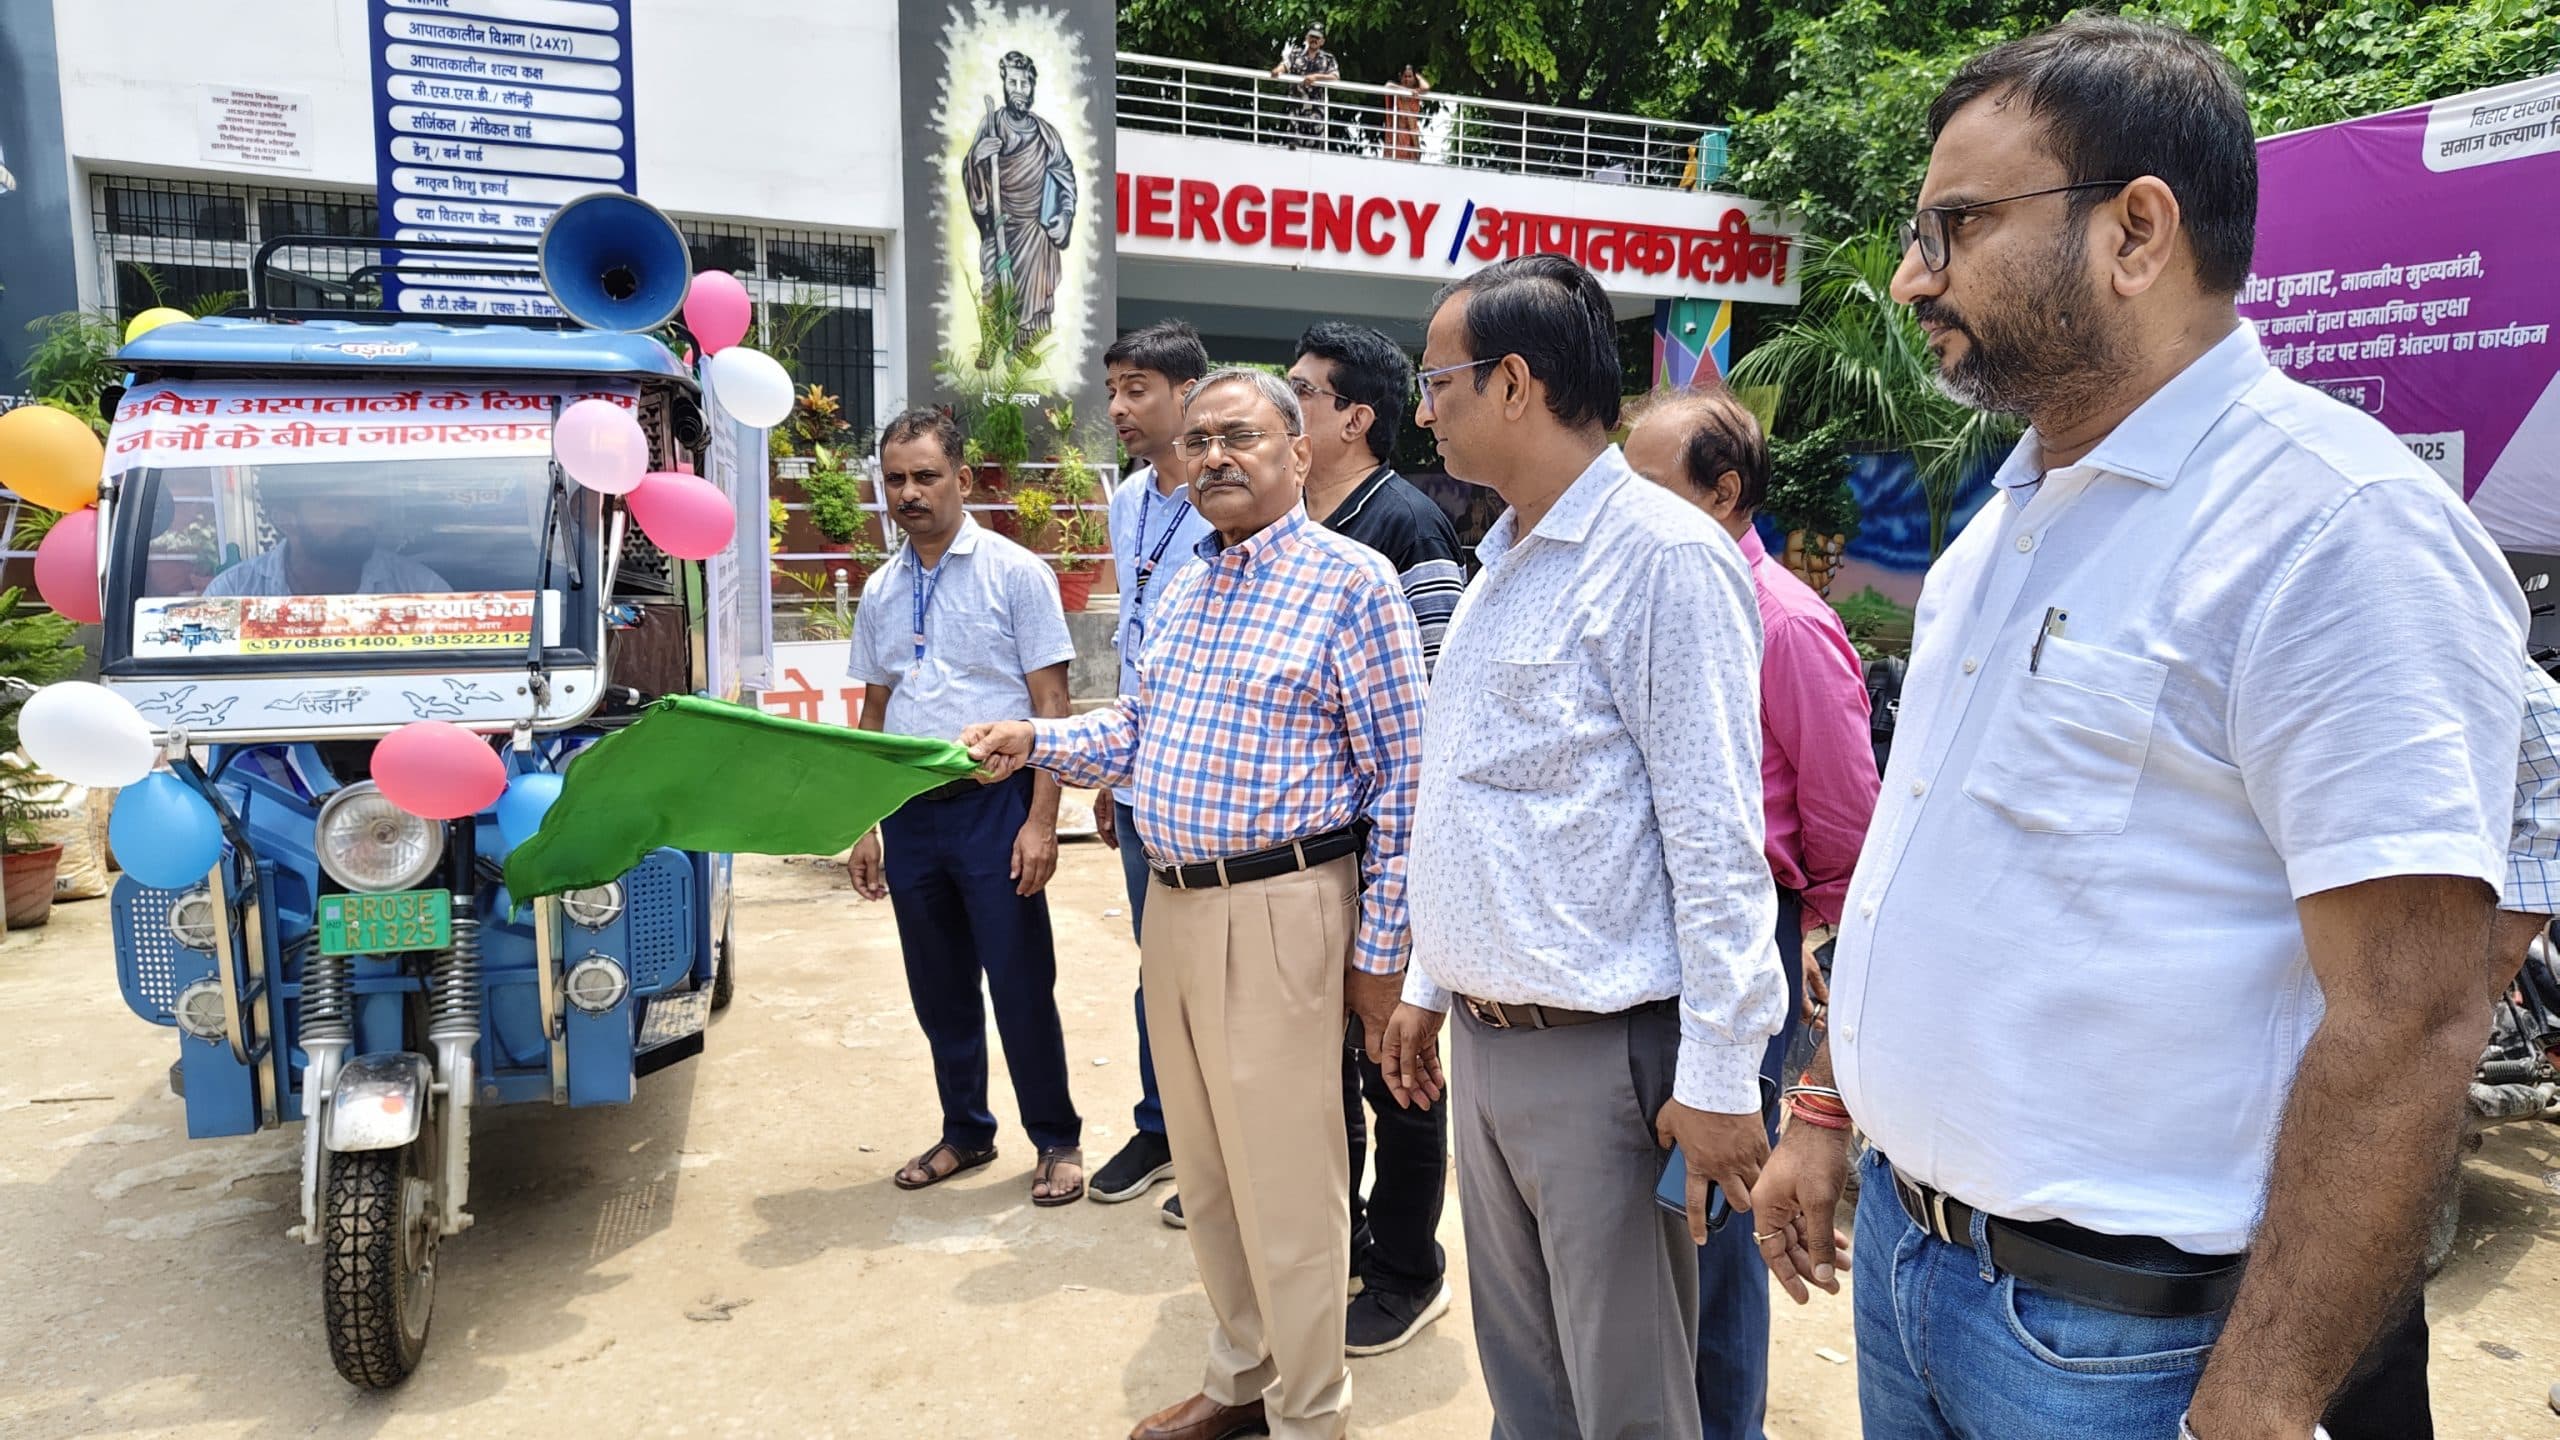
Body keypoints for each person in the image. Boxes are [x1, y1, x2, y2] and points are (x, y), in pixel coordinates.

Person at [1745, 19, 2527, 1440]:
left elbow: (2413, 1016)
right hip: (1911, 1269)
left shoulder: (2330, 531)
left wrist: (2266, 1396)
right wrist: (1829, 1106)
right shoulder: (2008, 522)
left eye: (1957, 225)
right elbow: (1935, 870)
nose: (1916, 275)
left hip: (2115, 1350)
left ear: (2137, 229)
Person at [964, 369, 1427, 1440]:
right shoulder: (1183, 580)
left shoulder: (1352, 584)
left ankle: (1314, 1415)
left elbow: (1406, 780)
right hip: (1172, 908)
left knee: (1290, 1183)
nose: (1214, 455)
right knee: (1210, 1170)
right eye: (1200, 438)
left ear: (1299, 454)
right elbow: (1137, 729)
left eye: (1242, 437)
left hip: (1286, 911)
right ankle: (1241, 1382)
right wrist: (1037, 739)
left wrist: (1381, 956)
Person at [1377, 254, 1785, 1439]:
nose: (1423, 405)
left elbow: (1717, 842)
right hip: (1492, 1043)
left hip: (1603, 1059)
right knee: (1527, 1382)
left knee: (1627, 1402)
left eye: (1436, 379)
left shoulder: (1660, 558)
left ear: (1513, 383)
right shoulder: (1501, 555)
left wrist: (1716, 1077)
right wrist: (1423, 980)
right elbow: (1468, 803)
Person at [1623, 387, 1881, 1440]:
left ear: (1723, 492)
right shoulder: (1652, 600)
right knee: (1657, 1228)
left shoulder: (1786, 624)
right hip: (1655, 946)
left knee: (1719, 1218)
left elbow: (1847, 824)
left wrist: (1821, 956)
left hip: (1750, 943)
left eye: (1643, 490)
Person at [843, 409, 1084, 1206]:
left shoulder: (1017, 574)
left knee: (1019, 981)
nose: (909, 494)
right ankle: (966, 1132)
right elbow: (875, 708)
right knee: (937, 984)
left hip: (995, 803)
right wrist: (865, 822)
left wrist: (1040, 821)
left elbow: (1052, 703)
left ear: (963, 481)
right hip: (911, 809)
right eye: (896, 480)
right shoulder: (880, 587)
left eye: (925, 476)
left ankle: (1055, 1139)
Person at [1287, 321, 1464, 1355]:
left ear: (1352, 417)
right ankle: (1349, 1238)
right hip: (1311, 863)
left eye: (1301, 393)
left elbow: (1431, 714)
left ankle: (1407, 1267)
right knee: (1329, 1069)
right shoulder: (1298, 526)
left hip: (1382, 859)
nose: (1284, 406)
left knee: (1395, 1065)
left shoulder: (1403, 529)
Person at [1088, 320, 1215, 1224]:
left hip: (1213, 784)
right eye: (1113, 390)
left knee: (1220, 972)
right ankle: (1161, 1125)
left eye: (1137, 388)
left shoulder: (1227, 500)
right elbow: (1131, 645)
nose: (1119, 407)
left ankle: (1218, 1146)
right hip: (1139, 778)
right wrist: (1110, 769)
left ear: (1185, 393)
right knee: (1155, 966)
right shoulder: (1131, 499)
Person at [963, 50, 1077, 352]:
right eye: (1013, 82)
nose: (1019, 90)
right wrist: (978, 158)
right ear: (1004, 83)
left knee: (1035, 293)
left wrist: (1064, 217)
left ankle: (1024, 348)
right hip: (1000, 223)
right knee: (993, 285)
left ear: (1033, 87)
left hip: (1035, 231)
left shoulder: (1046, 134)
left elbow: (1065, 176)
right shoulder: (992, 126)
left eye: (1025, 84)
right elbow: (972, 176)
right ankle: (992, 345)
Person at [205, 479, 450, 597]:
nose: (360, 519)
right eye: (338, 506)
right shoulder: (233, 592)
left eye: (365, 505)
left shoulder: (420, 588)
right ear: (285, 519)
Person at [1273, 26, 1339, 152]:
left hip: (1316, 110)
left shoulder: (1328, 58)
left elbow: (1335, 76)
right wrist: (1277, 71)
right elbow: (1285, 65)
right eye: (1312, 37)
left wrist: (1316, 77)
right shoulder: (1295, 54)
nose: (1314, 40)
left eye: (1317, 38)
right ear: (1306, 38)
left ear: (1322, 41)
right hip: (1296, 108)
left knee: (1315, 149)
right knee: (1293, 146)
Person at [1383, 65, 1430, 162]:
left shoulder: (1415, 93)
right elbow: (1388, 85)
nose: (1407, 79)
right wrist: (1407, 91)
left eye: (1410, 76)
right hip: (1396, 140)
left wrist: (1417, 75)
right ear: (1401, 77)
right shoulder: (1397, 92)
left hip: (1411, 142)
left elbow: (1426, 87)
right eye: (1405, 76)